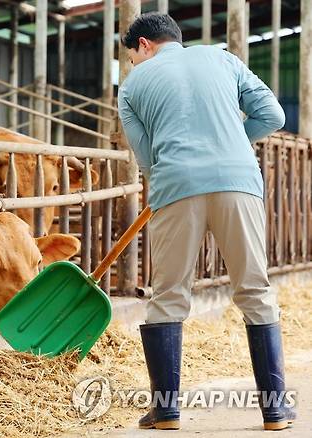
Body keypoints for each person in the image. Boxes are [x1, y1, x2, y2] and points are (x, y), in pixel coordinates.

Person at [118, 12, 293, 431]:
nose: (132, 65)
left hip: (176, 185)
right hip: (238, 180)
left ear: (144, 45)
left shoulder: (132, 87)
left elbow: (146, 159)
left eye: (131, 57)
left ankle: (166, 411)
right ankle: (275, 411)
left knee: (168, 295)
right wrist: (229, 139)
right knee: (254, 288)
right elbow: (273, 116)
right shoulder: (224, 59)